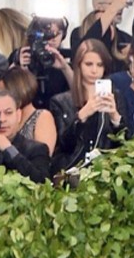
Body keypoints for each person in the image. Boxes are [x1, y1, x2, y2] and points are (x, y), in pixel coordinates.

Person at [49, 39, 125, 173]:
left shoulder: (115, 96)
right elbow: (65, 145)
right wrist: (82, 115)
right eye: (89, 64)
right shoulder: (60, 101)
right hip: (73, 170)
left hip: (106, 169)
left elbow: (125, 143)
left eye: (100, 65)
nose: (94, 70)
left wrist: (115, 118)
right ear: (79, 65)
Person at [0, 90, 51, 183]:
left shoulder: (37, 149)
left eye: (8, 113)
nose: (1, 119)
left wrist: (9, 150)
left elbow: (42, 183)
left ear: (18, 115)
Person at [11, 16, 73, 109]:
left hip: (57, 114)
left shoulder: (65, 58)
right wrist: (17, 67)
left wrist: (65, 67)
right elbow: (4, 90)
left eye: (58, 33)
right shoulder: (22, 55)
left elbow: (78, 93)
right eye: (49, 32)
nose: (53, 38)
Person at [0, 67, 58, 155]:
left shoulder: (42, 117)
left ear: (19, 90)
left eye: (4, 93)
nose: (0, 98)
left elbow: (43, 158)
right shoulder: (1, 118)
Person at [70, 0, 132, 70]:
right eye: (113, 3)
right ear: (98, 6)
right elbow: (82, 52)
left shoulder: (125, 38)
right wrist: (113, 9)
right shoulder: (79, 32)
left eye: (121, 4)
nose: (120, 8)